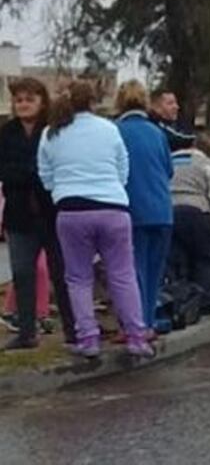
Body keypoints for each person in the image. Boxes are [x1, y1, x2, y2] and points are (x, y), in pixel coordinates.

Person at [37, 80, 152, 358]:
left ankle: (88, 339)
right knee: (122, 274)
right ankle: (136, 336)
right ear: (93, 102)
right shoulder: (109, 129)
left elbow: (46, 176)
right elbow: (123, 168)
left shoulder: (51, 132)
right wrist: (111, 187)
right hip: (112, 208)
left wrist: (62, 189)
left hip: (71, 210)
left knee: (78, 278)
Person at [0, 77, 75, 350]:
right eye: (19, 100)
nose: (23, 104)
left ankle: (73, 329)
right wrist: (32, 172)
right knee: (22, 273)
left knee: (62, 273)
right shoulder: (6, 133)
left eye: (29, 99)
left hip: (52, 213)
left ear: (42, 101)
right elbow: (5, 171)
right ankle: (26, 332)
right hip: (19, 216)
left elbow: (58, 167)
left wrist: (31, 172)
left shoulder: (53, 130)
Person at [116, 81, 175, 334]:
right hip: (162, 209)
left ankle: (136, 324)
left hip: (133, 210)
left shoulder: (116, 131)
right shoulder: (157, 133)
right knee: (154, 272)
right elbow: (169, 170)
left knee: (135, 270)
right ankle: (149, 322)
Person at [170, 129, 210, 308]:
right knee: (205, 259)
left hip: (168, 212)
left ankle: (176, 299)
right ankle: (202, 302)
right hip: (197, 213)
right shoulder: (206, 163)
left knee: (176, 259)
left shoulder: (171, 159)